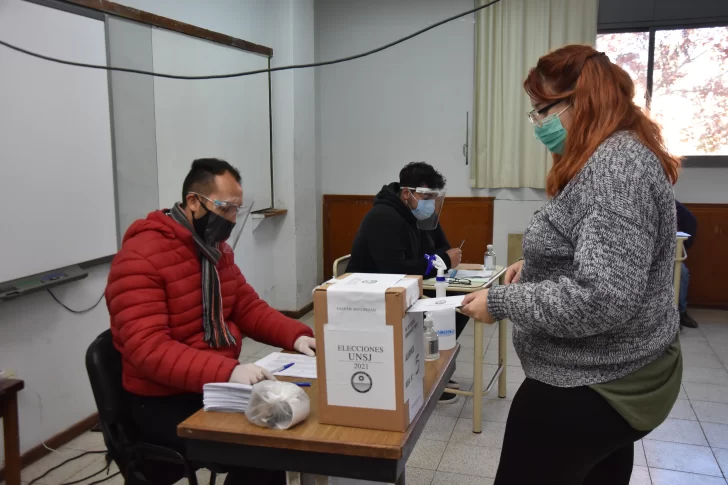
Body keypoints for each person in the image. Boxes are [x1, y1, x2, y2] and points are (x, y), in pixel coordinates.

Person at [461, 45, 682, 485]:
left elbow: (602, 297)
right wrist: (538, 263)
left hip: (597, 382)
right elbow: (596, 249)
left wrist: (503, 301)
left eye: (543, 110)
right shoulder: (612, 157)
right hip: (613, 370)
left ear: (585, 102)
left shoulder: (618, 167)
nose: (538, 123)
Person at [106, 158, 316, 485]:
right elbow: (148, 349)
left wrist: (298, 336)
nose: (232, 220)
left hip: (208, 386)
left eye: (237, 210)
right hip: (161, 401)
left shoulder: (213, 250)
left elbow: (245, 306)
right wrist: (229, 371)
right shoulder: (139, 258)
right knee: (262, 448)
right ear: (193, 201)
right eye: (227, 209)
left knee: (279, 429)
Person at [346, 162, 466, 403]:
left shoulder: (420, 215)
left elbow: (443, 247)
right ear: (406, 193)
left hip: (407, 289)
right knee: (446, 308)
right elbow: (395, 270)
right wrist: (440, 260)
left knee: (462, 304)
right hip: (374, 298)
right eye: (426, 196)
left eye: (434, 197)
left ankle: (432, 368)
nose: (430, 203)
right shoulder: (383, 217)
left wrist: (438, 258)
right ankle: (426, 373)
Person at [676, 200, 698, 328]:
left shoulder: (665, 199)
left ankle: (681, 312)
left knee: (682, 272)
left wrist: (684, 245)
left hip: (666, 248)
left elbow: (690, 220)